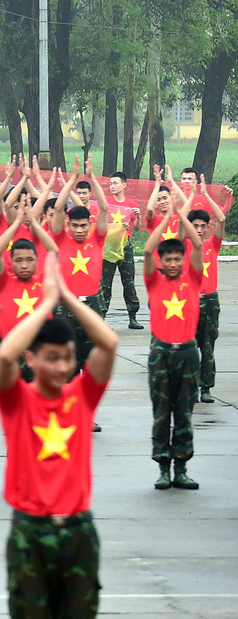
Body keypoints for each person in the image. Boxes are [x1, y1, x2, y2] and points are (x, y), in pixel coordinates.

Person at [0, 256, 117, 619]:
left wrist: (67, 297)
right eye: (52, 357)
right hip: (30, 530)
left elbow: (108, 344)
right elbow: (5, 355)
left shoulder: (82, 397)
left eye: (68, 358)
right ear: (31, 359)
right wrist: (47, 303)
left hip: (78, 529)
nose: (63, 366)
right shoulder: (17, 401)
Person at [142, 191, 204, 491]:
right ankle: (163, 468)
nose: (173, 263)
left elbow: (199, 245)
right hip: (161, 353)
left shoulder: (192, 279)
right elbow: (147, 250)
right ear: (161, 261)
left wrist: (181, 216)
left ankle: (181, 468)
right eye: (167, 259)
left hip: (188, 354)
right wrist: (166, 217)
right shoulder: (154, 281)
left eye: (178, 258)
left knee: (184, 412)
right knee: (161, 412)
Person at [49, 158, 110, 375]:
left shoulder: (97, 239)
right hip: (66, 304)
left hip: (92, 304)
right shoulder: (61, 239)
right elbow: (58, 208)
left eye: (83, 226)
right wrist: (72, 179)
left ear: (89, 224)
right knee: (68, 358)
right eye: (75, 226)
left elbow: (104, 208)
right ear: (69, 225)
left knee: (92, 358)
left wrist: (92, 178)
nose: (79, 230)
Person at [0, 204, 59, 380]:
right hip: (12, 355)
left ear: (37, 260)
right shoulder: (4, 283)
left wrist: (34, 224)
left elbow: (54, 250)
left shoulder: (44, 280)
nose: (24, 265)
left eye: (29, 260)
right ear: (11, 262)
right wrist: (16, 224)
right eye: (18, 260)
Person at [186, 181, 225, 404]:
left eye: (203, 226)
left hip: (210, 302)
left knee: (207, 346)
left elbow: (221, 220)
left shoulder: (212, 245)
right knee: (189, 347)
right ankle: (190, 386)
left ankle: (206, 387)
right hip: (190, 301)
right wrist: (191, 196)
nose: (199, 230)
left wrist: (207, 196)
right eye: (195, 226)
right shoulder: (184, 245)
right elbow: (181, 222)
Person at [99, 171, 144, 329]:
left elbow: (136, 227)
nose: (112, 186)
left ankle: (133, 316)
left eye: (115, 183)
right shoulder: (106, 202)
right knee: (105, 283)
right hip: (110, 245)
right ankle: (101, 316)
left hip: (125, 244)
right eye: (110, 184)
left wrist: (138, 217)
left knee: (129, 282)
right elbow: (100, 221)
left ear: (124, 185)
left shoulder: (131, 203)